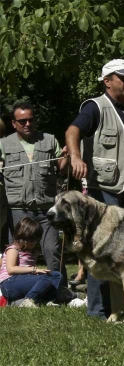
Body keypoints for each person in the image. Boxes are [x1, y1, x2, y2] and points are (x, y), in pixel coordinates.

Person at [65, 59, 124, 319]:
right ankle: (98, 311)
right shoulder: (95, 107)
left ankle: (123, 309)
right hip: (104, 191)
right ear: (107, 81)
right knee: (101, 252)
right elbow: (72, 130)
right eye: (122, 78)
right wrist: (76, 157)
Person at [1, 101, 68, 287]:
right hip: (18, 210)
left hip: (46, 208)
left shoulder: (49, 140)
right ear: (13, 123)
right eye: (22, 121)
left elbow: (61, 169)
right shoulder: (3, 144)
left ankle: (59, 289)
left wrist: (65, 157)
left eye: (31, 120)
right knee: (18, 253)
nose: (27, 124)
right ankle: (16, 288)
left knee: (52, 250)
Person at [0, 217, 62, 307]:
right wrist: (34, 270)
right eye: (30, 239)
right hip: (9, 283)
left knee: (57, 275)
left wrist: (34, 274)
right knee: (46, 279)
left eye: (37, 239)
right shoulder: (13, 249)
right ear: (22, 236)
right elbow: (11, 269)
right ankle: (29, 299)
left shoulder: (33, 251)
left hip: (23, 281)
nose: (34, 242)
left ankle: (47, 300)